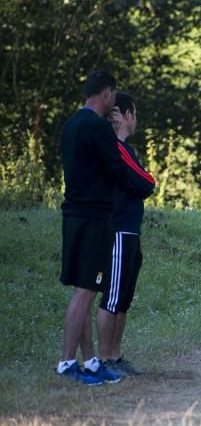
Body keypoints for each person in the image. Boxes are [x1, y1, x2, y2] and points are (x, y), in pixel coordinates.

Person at [57, 71, 156, 385]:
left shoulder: (70, 124)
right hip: (95, 219)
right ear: (107, 93)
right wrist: (143, 182)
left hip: (72, 214)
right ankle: (67, 363)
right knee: (87, 293)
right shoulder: (98, 127)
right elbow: (119, 169)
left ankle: (91, 363)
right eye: (113, 95)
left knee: (83, 291)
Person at [96, 92, 156, 375]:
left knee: (123, 300)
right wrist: (117, 135)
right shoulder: (116, 148)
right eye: (135, 115)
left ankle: (116, 357)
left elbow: (140, 180)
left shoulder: (126, 149)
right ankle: (105, 359)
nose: (136, 121)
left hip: (132, 230)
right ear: (127, 115)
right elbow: (146, 183)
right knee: (111, 297)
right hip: (118, 229)